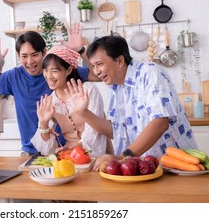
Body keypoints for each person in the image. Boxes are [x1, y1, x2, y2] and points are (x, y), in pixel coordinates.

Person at [77, 35, 198, 170]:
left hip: (174, 167)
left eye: (99, 64)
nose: (96, 71)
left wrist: (123, 156)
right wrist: (82, 112)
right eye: (93, 66)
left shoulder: (150, 73)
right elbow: (116, 132)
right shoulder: (114, 86)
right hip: (141, 169)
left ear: (120, 61)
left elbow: (160, 122)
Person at [0, 24, 99, 155]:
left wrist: (81, 51)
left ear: (44, 52)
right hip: (30, 151)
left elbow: (98, 75)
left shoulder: (59, 72)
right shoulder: (13, 76)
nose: (30, 61)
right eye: (24, 56)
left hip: (61, 149)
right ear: (18, 55)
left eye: (34, 55)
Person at [30, 45, 113, 157]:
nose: (49, 76)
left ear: (68, 70)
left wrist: (72, 149)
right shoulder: (51, 101)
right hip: (70, 158)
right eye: (45, 70)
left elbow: (95, 134)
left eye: (54, 71)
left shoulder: (87, 90)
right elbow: (47, 152)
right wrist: (43, 124)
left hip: (97, 158)